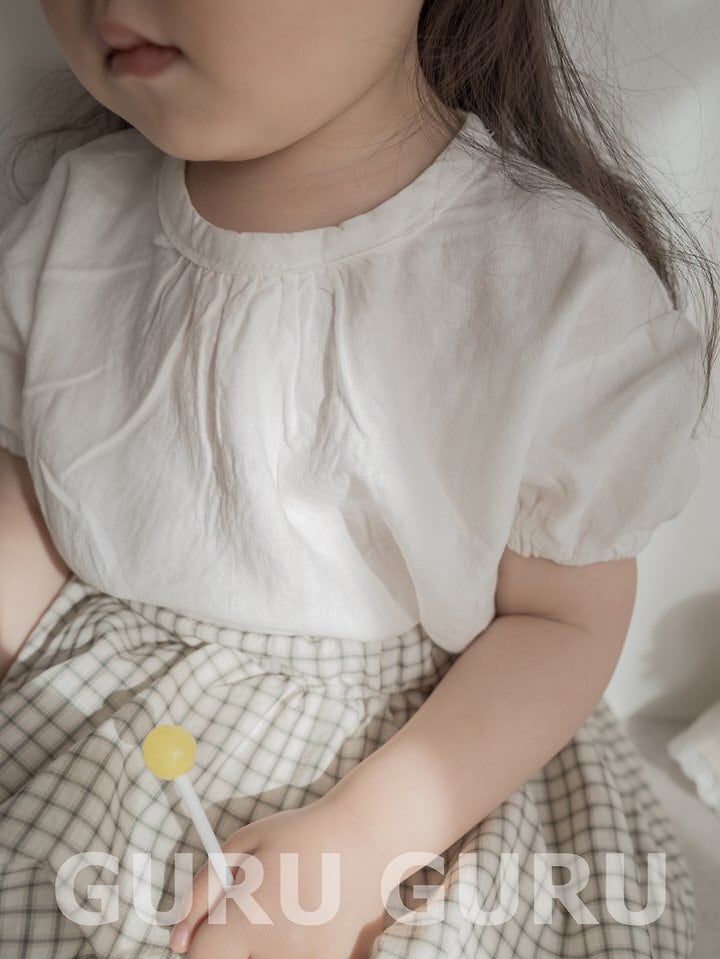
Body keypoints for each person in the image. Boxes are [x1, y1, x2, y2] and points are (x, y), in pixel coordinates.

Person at [0, 1, 716, 957]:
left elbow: (561, 620)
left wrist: (369, 841)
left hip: (416, 769)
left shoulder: (549, 281)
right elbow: (32, 503)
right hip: (92, 726)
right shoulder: (75, 214)